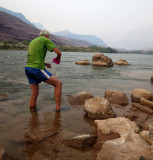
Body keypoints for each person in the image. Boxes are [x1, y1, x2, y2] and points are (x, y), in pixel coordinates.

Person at [25, 30, 62, 112]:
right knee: (58, 84)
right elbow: (59, 52)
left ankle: (33, 114)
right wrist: (58, 57)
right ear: (47, 35)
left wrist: (45, 64)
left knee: (34, 94)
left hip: (28, 68)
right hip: (37, 69)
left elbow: (33, 57)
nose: (49, 37)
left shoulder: (32, 41)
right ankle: (58, 109)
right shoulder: (45, 39)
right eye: (49, 36)